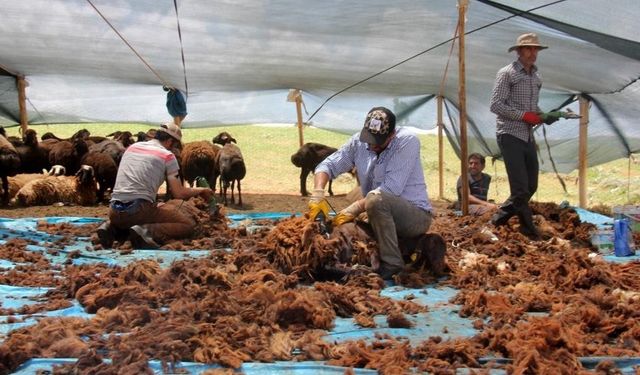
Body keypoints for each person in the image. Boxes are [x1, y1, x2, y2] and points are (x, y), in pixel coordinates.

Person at [309, 107, 434, 279]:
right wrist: (318, 193)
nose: (372, 146)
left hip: (414, 216)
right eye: (369, 140)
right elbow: (328, 165)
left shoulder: (407, 141)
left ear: (392, 135)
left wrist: (353, 209)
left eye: (378, 142)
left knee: (376, 201)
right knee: (345, 230)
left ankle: (392, 265)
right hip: (378, 213)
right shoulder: (359, 142)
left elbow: (390, 189)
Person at [97, 123, 213, 249]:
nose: (174, 149)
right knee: (186, 224)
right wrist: (201, 190)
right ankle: (147, 231)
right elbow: (179, 193)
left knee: (148, 208)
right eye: (175, 145)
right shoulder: (167, 156)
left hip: (113, 211)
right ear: (169, 141)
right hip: (139, 210)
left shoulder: (132, 148)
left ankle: (111, 228)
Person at [489, 33, 559, 239]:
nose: (533, 52)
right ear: (518, 51)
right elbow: (496, 105)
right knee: (520, 188)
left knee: (531, 186)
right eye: (528, 49)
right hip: (509, 134)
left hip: (527, 136)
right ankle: (528, 229)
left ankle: (498, 218)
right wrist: (524, 116)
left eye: (536, 49)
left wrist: (544, 115)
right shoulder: (507, 73)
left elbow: (532, 108)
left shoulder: (536, 78)